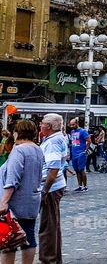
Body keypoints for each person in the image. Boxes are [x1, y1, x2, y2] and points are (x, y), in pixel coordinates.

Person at [0, 120, 43, 264]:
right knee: (29, 237)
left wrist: (4, 201)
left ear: (17, 132)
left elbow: (13, 178)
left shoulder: (19, 150)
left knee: (9, 241)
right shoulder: (37, 149)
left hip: (16, 202)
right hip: (32, 199)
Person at [38, 113, 67, 263]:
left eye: (42, 123)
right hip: (55, 186)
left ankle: (49, 259)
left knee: (48, 226)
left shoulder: (53, 142)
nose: (40, 125)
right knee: (52, 223)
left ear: (48, 126)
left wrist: (45, 190)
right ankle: (53, 257)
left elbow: (53, 169)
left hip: (51, 187)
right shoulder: (55, 138)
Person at [66, 119, 89, 192]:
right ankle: (80, 186)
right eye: (71, 124)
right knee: (76, 170)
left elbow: (89, 141)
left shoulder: (83, 131)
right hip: (74, 153)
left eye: (73, 124)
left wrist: (86, 150)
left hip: (81, 153)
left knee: (81, 170)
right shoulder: (72, 132)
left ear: (77, 123)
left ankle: (85, 186)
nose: (72, 126)